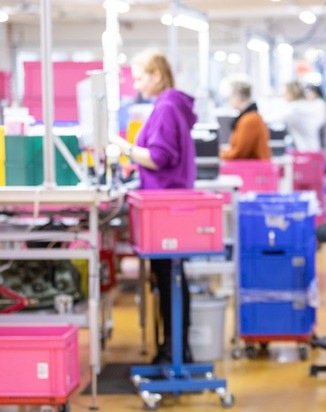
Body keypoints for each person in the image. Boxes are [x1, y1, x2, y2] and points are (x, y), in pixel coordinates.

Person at [109, 48, 196, 364]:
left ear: (157, 75)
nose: (137, 84)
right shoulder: (170, 105)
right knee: (171, 276)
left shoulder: (167, 107)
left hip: (165, 206)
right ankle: (174, 349)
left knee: (171, 276)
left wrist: (123, 147)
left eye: (141, 76)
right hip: (168, 204)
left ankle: (174, 352)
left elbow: (158, 158)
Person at [219, 78, 271, 160]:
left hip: (255, 170)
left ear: (238, 96)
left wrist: (218, 154)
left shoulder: (250, 120)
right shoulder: (249, 117)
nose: (229, 100)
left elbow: (239, 153)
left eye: (230, 97)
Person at [281, 80, 323, 152]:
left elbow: (274, 118)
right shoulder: (306, 105)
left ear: (291, 93)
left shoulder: (294, 109)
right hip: (314, 148)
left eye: (285, 92)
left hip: (306, 151)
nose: (283, 95)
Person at [304, 83, 326, 149]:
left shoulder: (320, 103)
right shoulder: (306, 103)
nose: (308, 94)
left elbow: (322, 118)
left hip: (319, 129)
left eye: (310, 92)